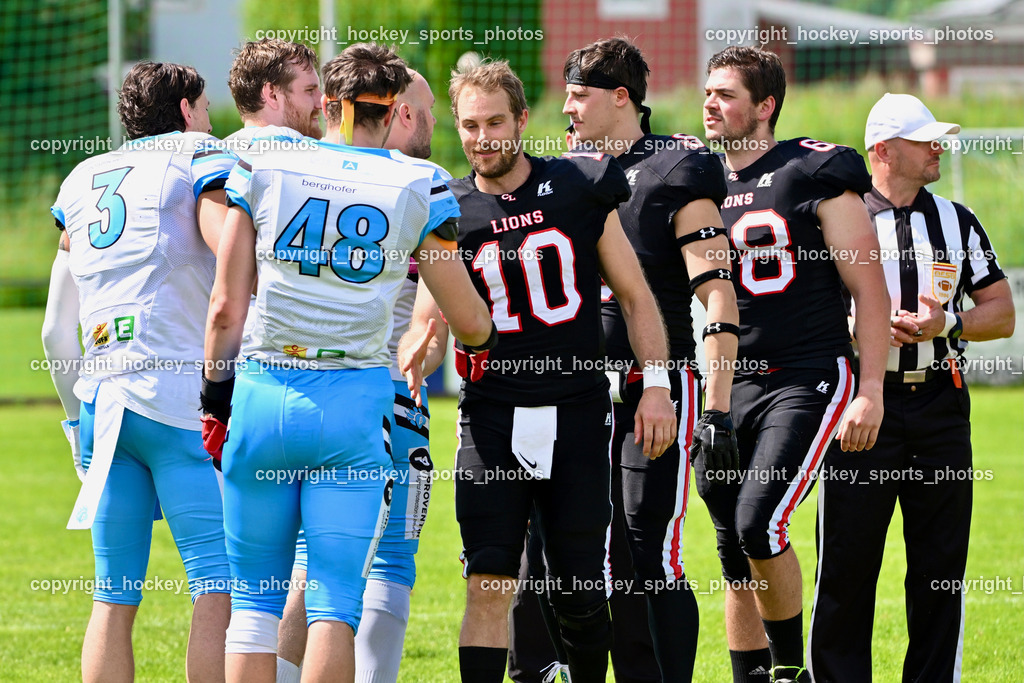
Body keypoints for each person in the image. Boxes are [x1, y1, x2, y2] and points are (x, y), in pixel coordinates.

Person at [201, 43, 493, 683]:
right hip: (355, 401)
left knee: (253, 607)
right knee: (334, 603)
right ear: (392, 113)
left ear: (330, 104)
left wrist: (214, 400)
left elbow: (225, 306)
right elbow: (468, 320)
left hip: (264, 390)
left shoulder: (266, 164)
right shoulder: (418, 181)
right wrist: (484, 336)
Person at [400, 59, 677, 683]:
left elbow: (635, 296)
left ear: (523, 120)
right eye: (470, 125)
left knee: (580, 590)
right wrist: (420, 350)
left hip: (577, 410)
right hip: (491, 415)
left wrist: (656, 387)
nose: (483, 138)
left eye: (496, 122)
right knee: (488, 579)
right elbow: (428, 321)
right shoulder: (447, 206)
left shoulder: (579, 185)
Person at [508, 36, 741, 683]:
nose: (567, 109)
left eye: (578, 95)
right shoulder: (562, 174)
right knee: (551, 543)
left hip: (651, 386)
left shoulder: (675, 166)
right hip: (573, 391)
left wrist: (713, 403)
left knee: (646, 548)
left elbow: (715, 288)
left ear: (621, 96)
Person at [807, 93, 1015, 682]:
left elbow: (1002, 312)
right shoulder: (835, 218)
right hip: (860, 407)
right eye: (925, 140)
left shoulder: (957, 220)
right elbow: (801, 310)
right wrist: (854, 326)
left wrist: (947, 323)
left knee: (939, 568)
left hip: (940, 405)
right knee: (846, 567)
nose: (938, 148)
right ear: (883, 150)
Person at [700, 46, 890, 683]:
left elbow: (869, 289)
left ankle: (790, 671)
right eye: (708, 91)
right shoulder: (699, 179)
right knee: (732, 545)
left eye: (726, 94)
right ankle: (750, 675)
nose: (710, 104)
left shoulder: (814, 170)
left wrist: (870, 390)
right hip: (730, 381)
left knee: (759, 521)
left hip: (808, 374)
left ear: (766, 106)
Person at [48, 61, 235, 683]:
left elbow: (54, 332)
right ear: (185, 109)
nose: (208, 120)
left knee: (113, 592)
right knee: (216, 582)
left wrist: (76, 424)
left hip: (103, 405)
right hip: (179, 398)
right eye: (203, 107)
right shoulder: (198, 154)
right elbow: (231, 256)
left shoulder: (81, 177)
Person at [273, 68, 448, 683]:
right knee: (387, 560)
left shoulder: (299, 171)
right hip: (384, 397)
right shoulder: (424, 184)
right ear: (401, 113)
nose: (437, 122)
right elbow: (448, 315)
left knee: (306, 563)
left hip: (291, 392)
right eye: (428, 109)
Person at [226, 38, 323, 146]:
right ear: (272, 95)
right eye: (310, 90)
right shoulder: (298, 151)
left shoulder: (221, 150)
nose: (321, 103)